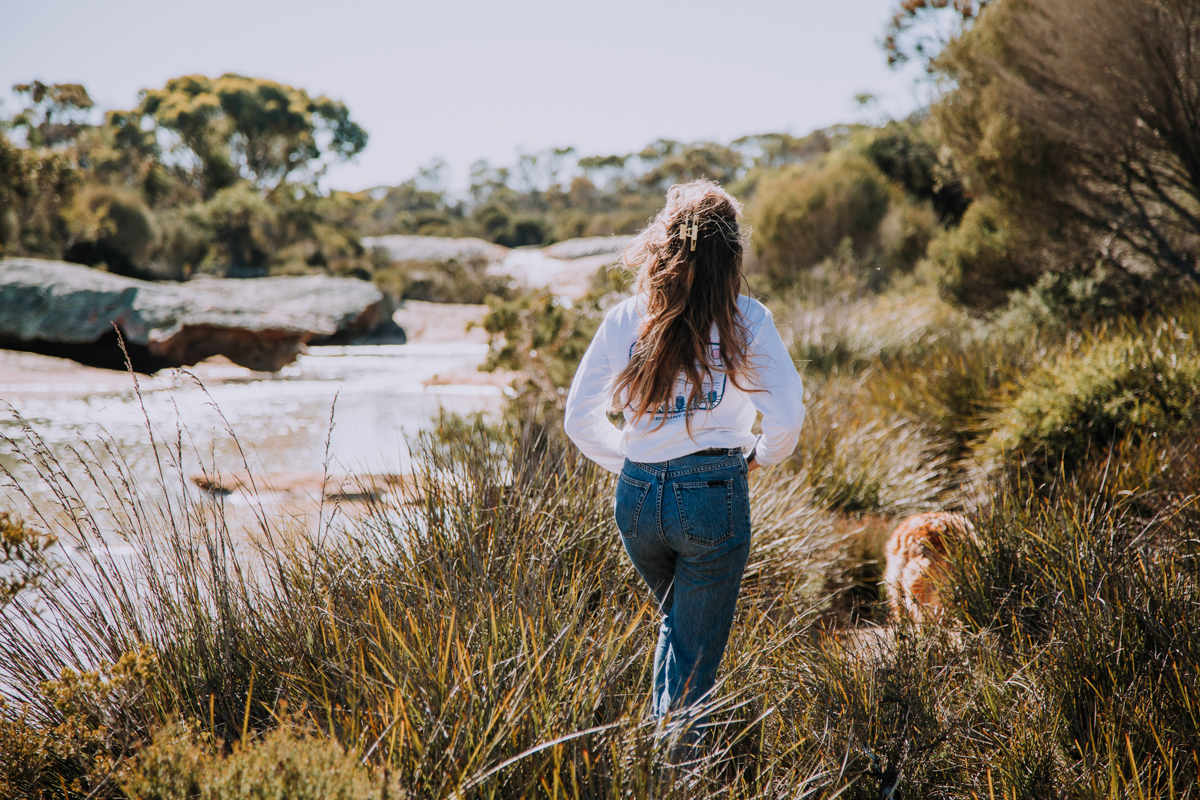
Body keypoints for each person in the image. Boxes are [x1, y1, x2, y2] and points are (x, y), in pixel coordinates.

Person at [563, 179, 806, 752]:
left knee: (677, 626)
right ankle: (677, 770)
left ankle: (654, 757)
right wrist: (760, 456)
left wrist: (635, 458)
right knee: (695, 654)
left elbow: (579, 418)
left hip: (638, 501)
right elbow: (788, 413)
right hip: (711, 497)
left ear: (664, 245)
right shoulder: (748, 318)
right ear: (733, 254)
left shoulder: (628, 318)